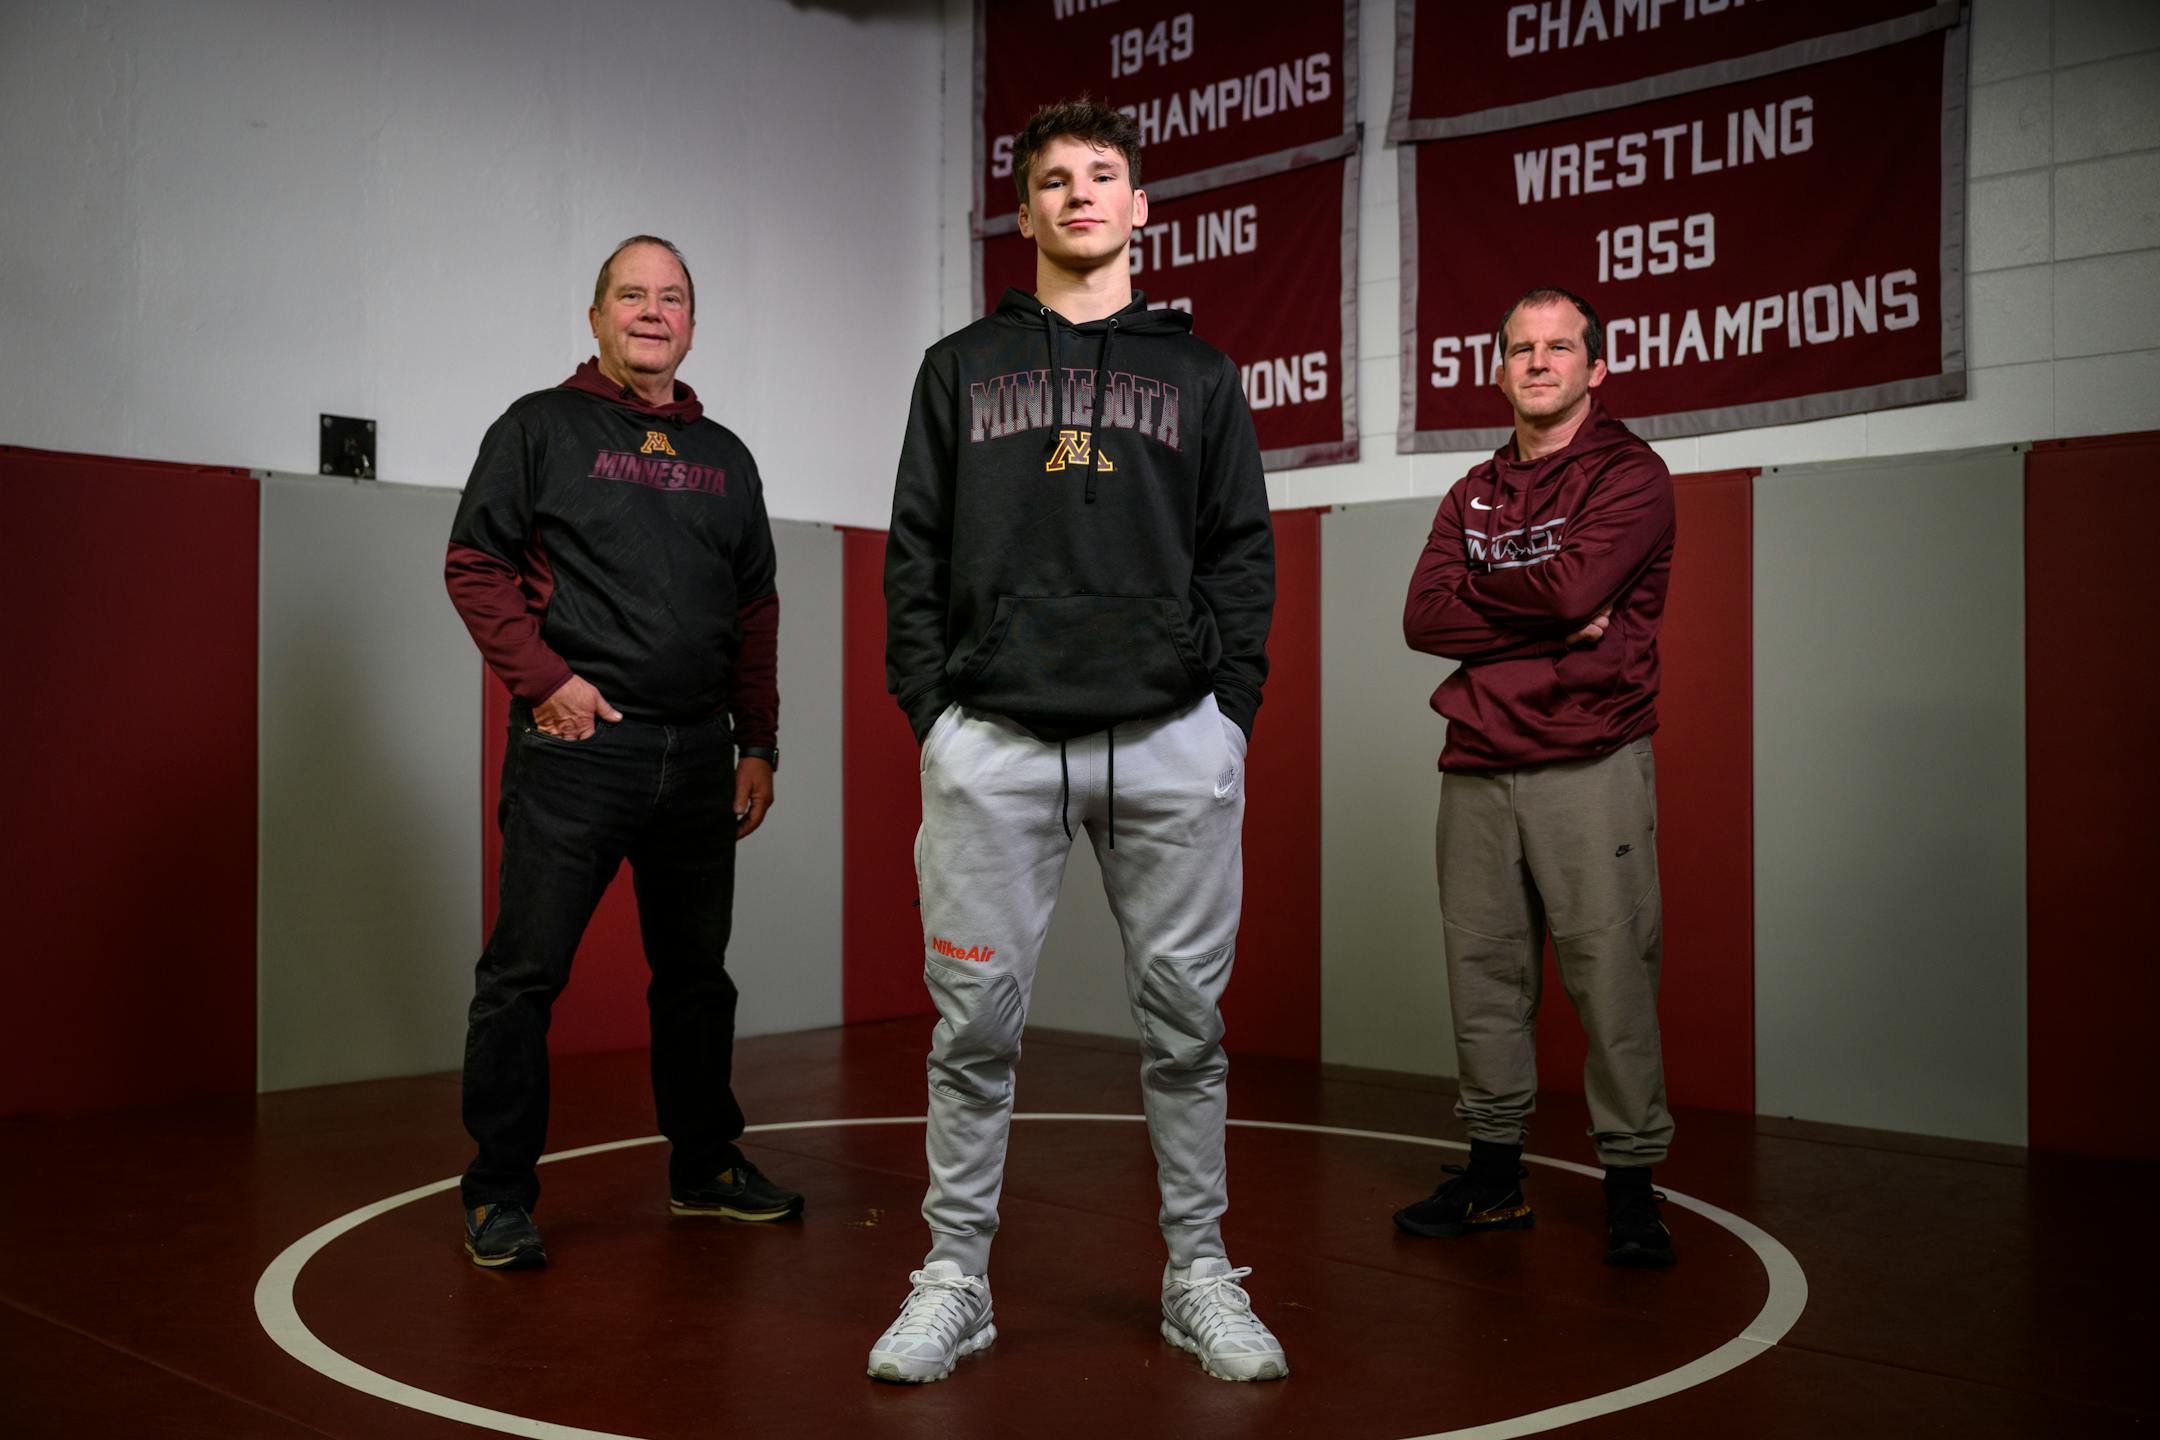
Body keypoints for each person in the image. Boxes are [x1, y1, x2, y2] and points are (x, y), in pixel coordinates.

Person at [869, 98, 1284, 1384]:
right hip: (994, 743)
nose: (1079, 195)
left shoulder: (1202, 377)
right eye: (1054, 179)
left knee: (1186, 1029)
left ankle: (1200, 1273)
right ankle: (953, 1278)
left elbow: (1242, 556)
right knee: (974, 1030)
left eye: (1103, 176)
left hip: (1171, 744)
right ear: (1027, 209)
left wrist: (1228, 714)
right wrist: (937, 718)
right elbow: (915, 557)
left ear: (1141, 205)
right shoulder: (961, 366)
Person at [442, 234, 801, 1270]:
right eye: (632, 296)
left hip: (699, 759)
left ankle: (704, 1168)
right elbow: (475, 566)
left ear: (692, 322)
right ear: (596, 318)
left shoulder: (726, 457)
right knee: (524, 978)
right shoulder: (539, 427)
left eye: (672, 297)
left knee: (696, 978)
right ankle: (498, 1191)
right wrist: (547, 684)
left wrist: (759, 740)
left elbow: (755, 609)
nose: (653, 312)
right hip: (577, 751)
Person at [1395, 286, 1679, 1267]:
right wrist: (1553, 614)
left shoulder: (1632, 477)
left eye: (1561, 349)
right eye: (1522, 349)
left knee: (1612, 982)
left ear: (1595, 370)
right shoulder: (1472, 490)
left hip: (1588, 761)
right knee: (1483, 981)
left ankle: (1633, 1189)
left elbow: (1574, 586)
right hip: (1477, 768)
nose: (1540, 363)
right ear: (1500, 368)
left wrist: (1529, 599)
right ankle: (1493, 1181)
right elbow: (1422, 619)